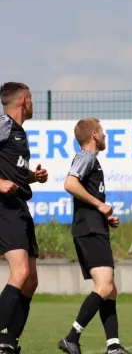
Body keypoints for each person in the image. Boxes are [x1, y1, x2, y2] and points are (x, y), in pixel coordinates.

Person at [58, 118, 132, 354]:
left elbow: (83, 193)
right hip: (89, 229)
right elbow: (70, 183)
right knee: (105, 285)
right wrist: (100, 206)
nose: (105, 136)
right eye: (103, 132)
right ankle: (72, 337)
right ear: (94, 136)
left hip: (94, 227)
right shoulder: (86, 157)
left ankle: (113, 346)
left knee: (110, 288)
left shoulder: (92, 160)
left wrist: (105, 216)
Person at [0, 82, 47, 354]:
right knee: (21, 272)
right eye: (32, 99)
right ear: (24, 101)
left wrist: (32, 177)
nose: (33, 104)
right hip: (4, 206)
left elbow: (12, 170)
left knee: (31, 280)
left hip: (19, 206)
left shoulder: (18, 132)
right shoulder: (4, 124)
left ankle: (8, 343)